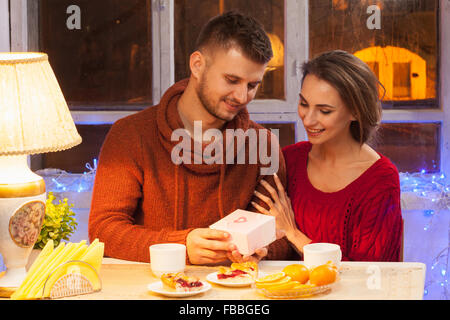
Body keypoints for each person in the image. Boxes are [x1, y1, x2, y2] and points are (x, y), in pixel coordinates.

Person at [88, 11, 295, 265]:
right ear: (197, 65)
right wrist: (181, 246)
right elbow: (103, 232)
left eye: (252, 85)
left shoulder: (264, 144)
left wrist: (264, 249)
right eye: (231, 80)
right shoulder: (130, 135)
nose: (241, 96)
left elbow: (283, 237)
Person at [252, 50, 403, 262]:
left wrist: (294, 234)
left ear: (355, 112)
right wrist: (260, 251)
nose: (308, 119)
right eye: (304, 104)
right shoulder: (290, 159)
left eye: (324, 111)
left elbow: (371, 276)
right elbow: (271, 235)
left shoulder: (381, 180)